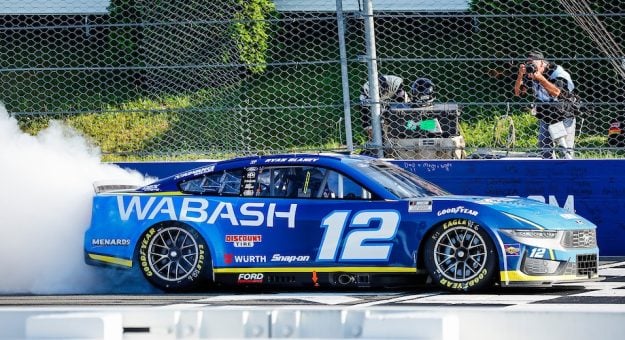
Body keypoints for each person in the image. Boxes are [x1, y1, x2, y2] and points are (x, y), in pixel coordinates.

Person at [514, 51, 576, 159]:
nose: (531, 67)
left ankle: (569, 173)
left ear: (542, 63)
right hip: (546, 114)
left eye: (533, 64)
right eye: (528, 64)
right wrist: (520, 75)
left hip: (564, 114)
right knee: (545, 150)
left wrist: (540, 78)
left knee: (565, 152)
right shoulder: (531, 73)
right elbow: (518, 93)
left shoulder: (558, 74)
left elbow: (557, 93)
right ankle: (549, 173)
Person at [359, 75, 408, 144]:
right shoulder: (365, 93)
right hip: (374, 102)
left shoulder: (395, 83)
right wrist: (369, 128)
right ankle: (379, 142)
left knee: (400, 115)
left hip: (393, 93)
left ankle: (402, 136)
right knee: (373, 125)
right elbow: (364, 113)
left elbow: (402, 102)